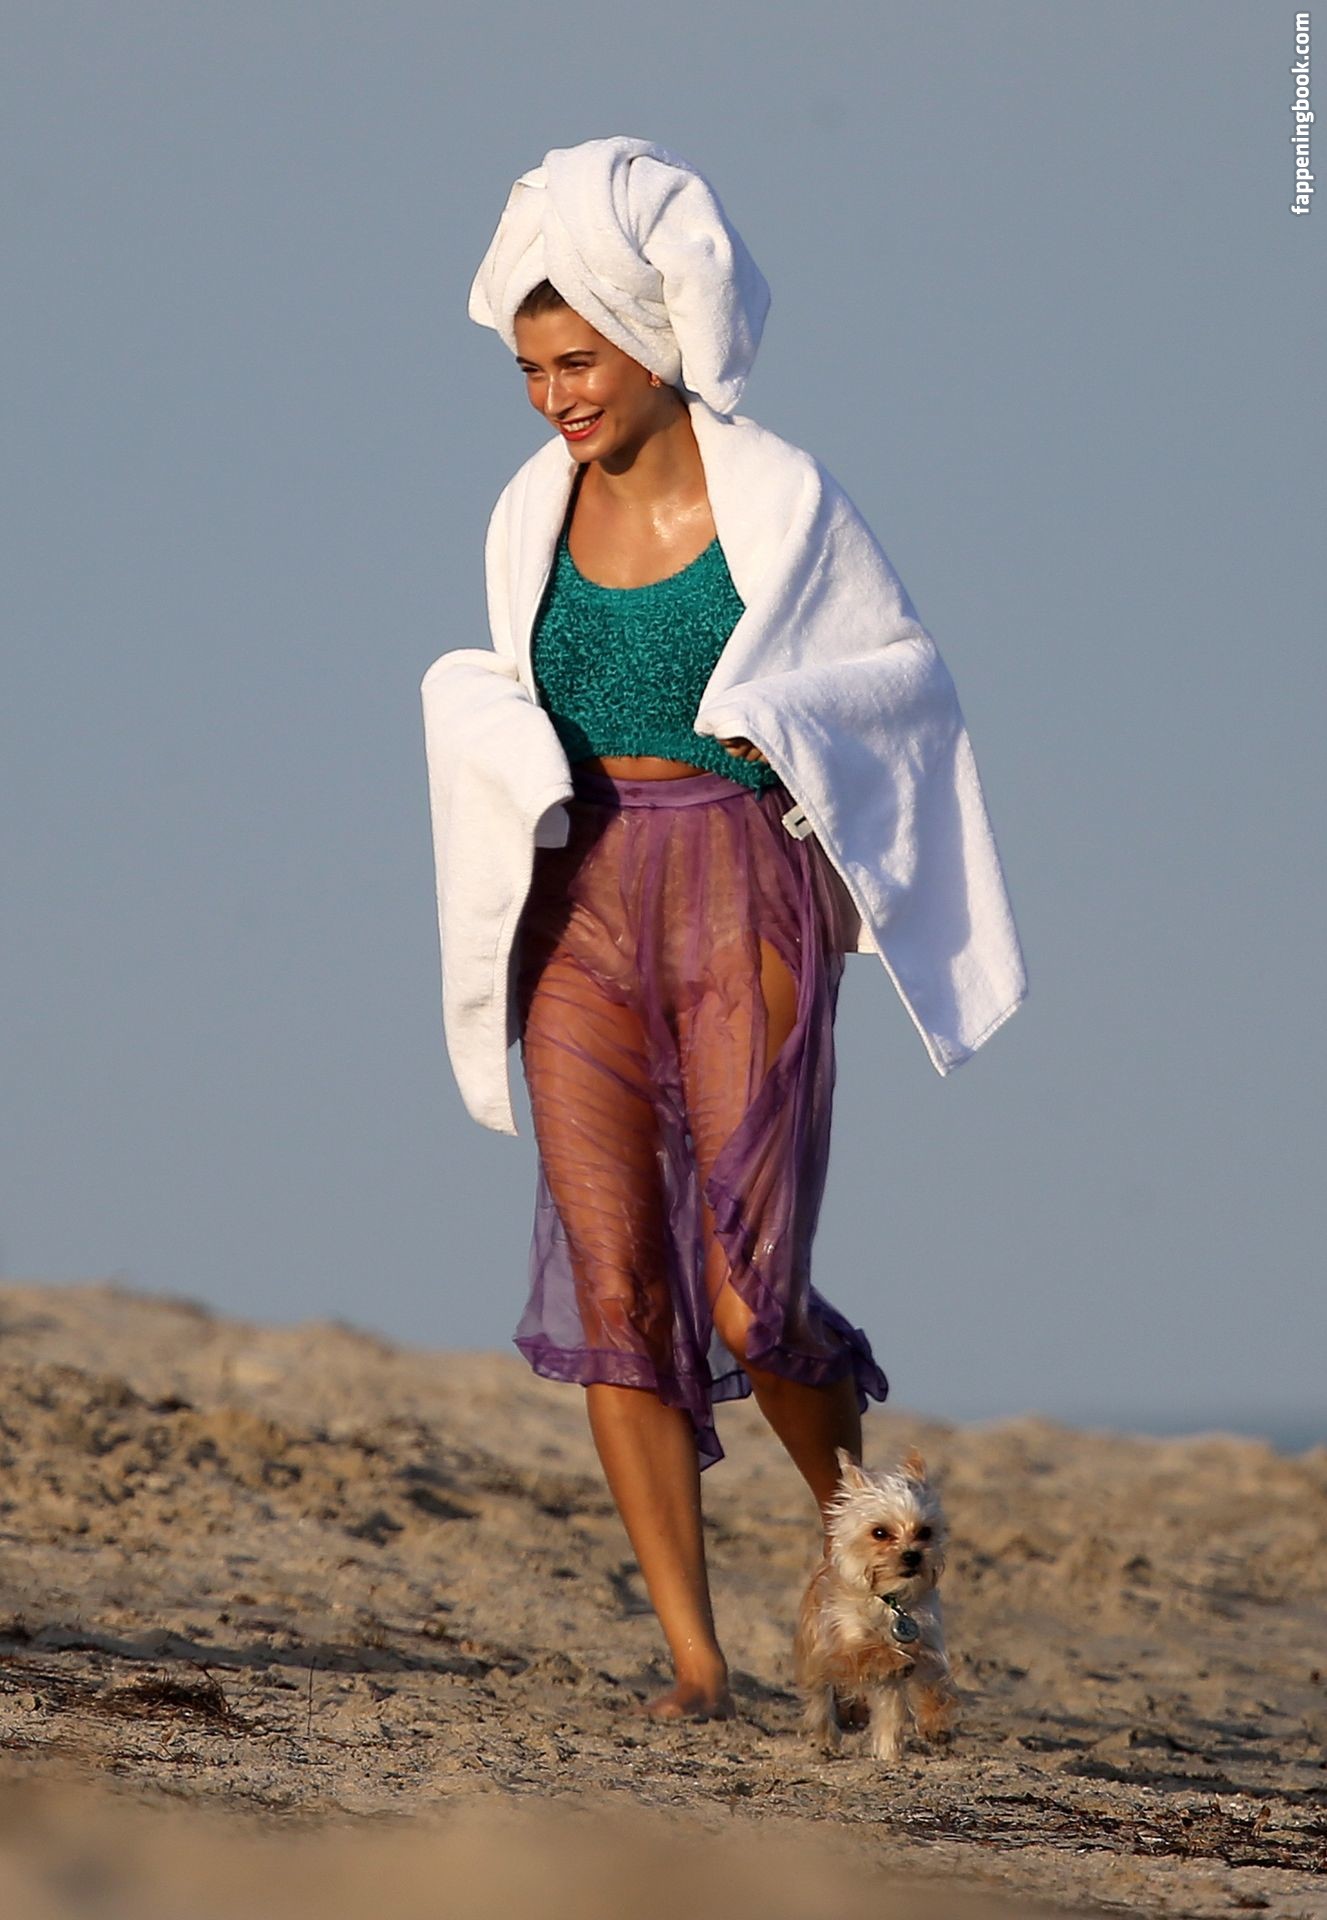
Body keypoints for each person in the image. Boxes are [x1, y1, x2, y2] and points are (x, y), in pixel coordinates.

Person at [433, 136, 1027, 1724]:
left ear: (650, 338)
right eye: (530, 369)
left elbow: (903, 673)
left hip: (736, 881)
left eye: (577, 362)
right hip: (578, 899)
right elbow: (511, 681)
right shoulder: (527, 510)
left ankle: (871, 1579)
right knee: (617, 1289)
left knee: (755, 1294)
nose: (554, 396)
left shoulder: (780, 497)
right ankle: (696, 1666)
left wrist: (791, 722)